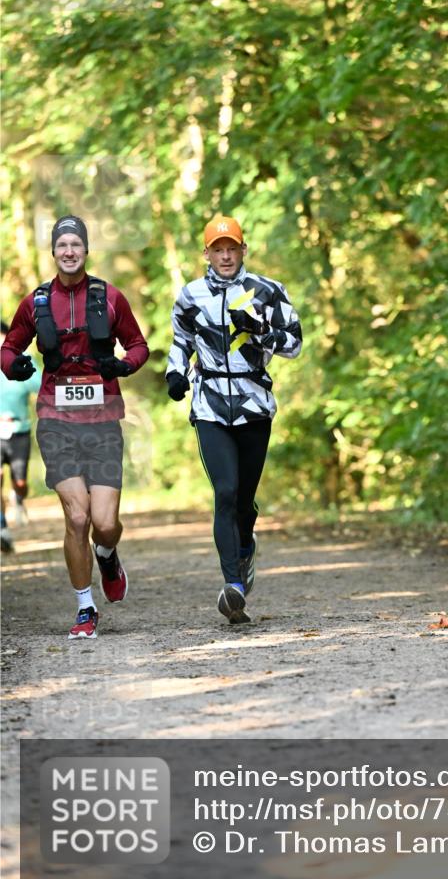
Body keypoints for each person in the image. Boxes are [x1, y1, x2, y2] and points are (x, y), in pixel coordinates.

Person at [0, 215, 149, 639]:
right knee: (77, 516)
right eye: (62, 244)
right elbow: (8, 349)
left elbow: (139, 345)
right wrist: (15, 365)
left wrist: (123, 364)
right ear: (53, 251)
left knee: (104, 523)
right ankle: (85, 608)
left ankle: (107, 554)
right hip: (55, 419)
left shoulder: (109, 296)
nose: (69, 251)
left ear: (86, 250)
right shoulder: (36, 302)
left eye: (76, 245)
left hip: (103, 422)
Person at [166, 214, 302, 624]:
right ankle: (233, 585)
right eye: (217, 250)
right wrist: (175, 373)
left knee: (243, 500)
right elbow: (180, 341)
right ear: (206, 253)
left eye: (232, 249)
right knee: (224, 492)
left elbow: (294, 343)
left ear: (243, 250)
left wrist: (258, 328)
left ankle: (245, 549)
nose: (225, 256)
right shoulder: (190, 296)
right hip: (209, 404)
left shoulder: (267, 290)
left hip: (254, 403)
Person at [0, 320, 42, 551]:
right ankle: (2, 526)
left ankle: (18, 497)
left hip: (19, 432)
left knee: (20, 482)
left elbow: (39, 385)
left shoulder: (20, 358)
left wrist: (24, 364)